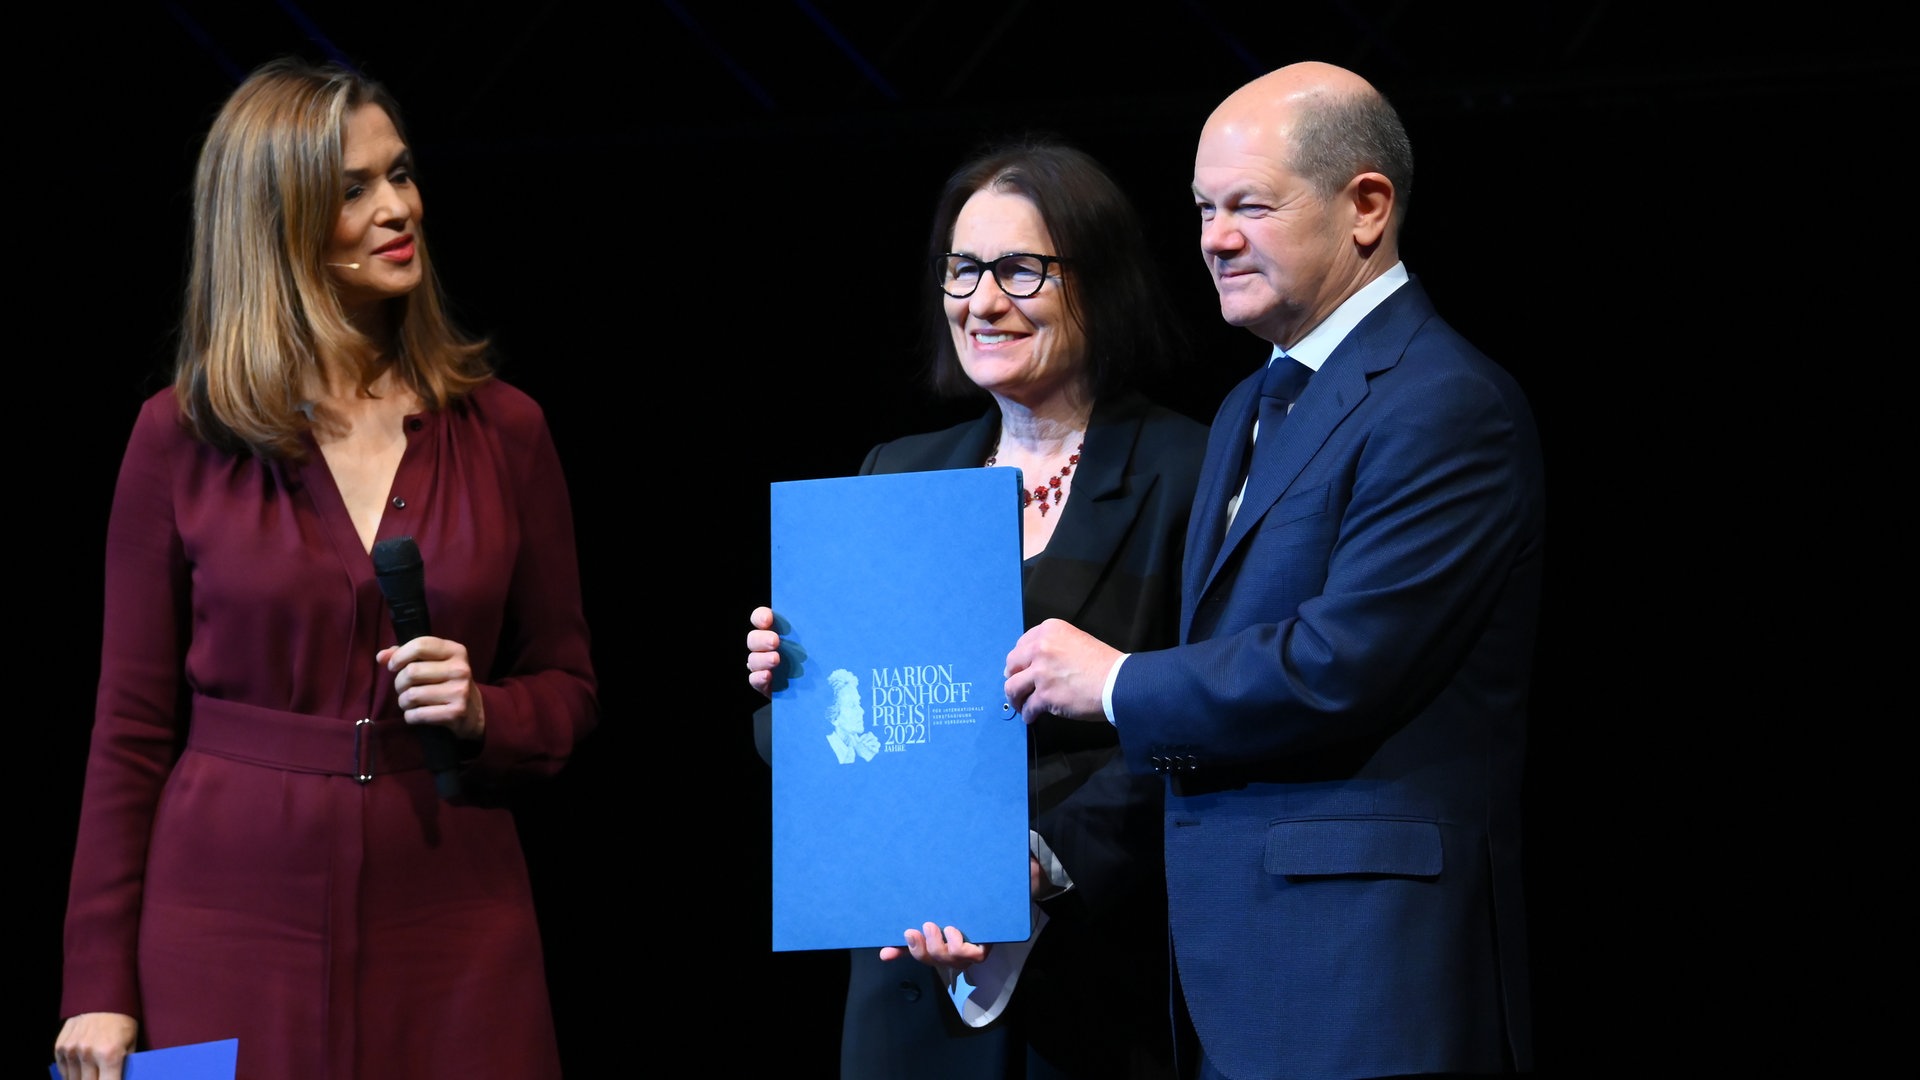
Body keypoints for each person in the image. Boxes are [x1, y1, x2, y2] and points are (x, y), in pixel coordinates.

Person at [52, 57, 597, 1080]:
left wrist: (487, 714)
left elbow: (568, 690)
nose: (399, 208)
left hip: (454, 914)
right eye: (353, 190)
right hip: (223, 916)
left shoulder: (506, 430)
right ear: (276, 220)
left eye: (400, 174)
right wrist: (96, 984)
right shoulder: (178, 437)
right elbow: (127, 733)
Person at [1003, 61, 1544, 1080]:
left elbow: (1345, 663)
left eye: (1251, 205)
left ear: (1367, 207)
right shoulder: (1251, 407)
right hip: (1231, 973)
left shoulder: (1445, 404)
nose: (1214, 238)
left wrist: (1116, 681)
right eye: (1205, 208)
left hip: (1362, 978)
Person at [745, 139, 1208, 1079]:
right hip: (903, 983)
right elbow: (839, 747)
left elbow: (1204, 716)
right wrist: (792, 689)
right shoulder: (897, 473)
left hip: (1094, 984)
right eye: (963, 269)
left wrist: (1034, 871)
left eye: (1021, 270)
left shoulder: (1188, 474)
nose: (982, 301)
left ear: (1101, 280)